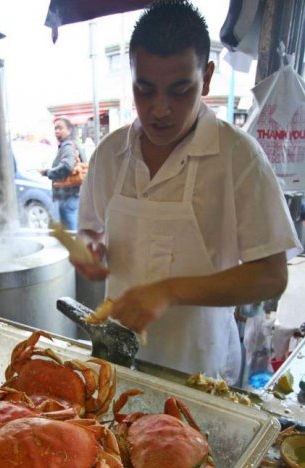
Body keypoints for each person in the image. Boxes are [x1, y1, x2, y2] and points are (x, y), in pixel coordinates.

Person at [73, 0, 302, 386]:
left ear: (207, 78)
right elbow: (90, 230)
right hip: (118, 365)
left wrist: (170, 291)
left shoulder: (238, 158)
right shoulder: (111, 154)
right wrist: (91, 249)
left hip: (200, 371)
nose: (160, 109)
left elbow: (271, 276)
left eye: (180, 91)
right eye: (145, 90)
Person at [45, 117, 81, 231]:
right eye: (55, 129)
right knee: (73, 232)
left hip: (68, 196)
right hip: (73, 195)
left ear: (69, 130)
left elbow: (67, 166)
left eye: (60, 128)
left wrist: (48, 172)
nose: (56, 131)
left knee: (72, 234)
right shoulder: (73, 144)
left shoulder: (67, 146)